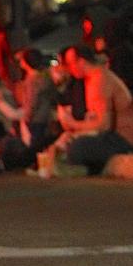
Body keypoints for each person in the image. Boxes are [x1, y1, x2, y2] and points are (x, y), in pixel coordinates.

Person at [56, 45, 133, 174]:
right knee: (69, 142)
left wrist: (73, 124)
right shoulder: (92, 79)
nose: (69, 69)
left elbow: (104, 125)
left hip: (123, 137)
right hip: (111, 135)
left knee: (78, 147)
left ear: (81, 61)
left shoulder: (101, 80)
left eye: (70, 64)